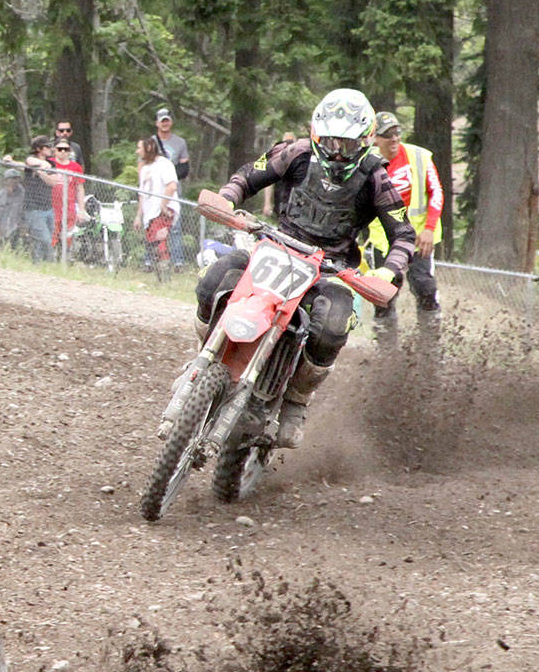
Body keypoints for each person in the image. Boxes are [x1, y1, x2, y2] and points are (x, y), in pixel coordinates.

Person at [192, 88, 416, 448]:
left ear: (365, 141)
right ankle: (207, 354)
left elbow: (403, 234)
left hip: (331, 268)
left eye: (346, 144)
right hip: (277, 247)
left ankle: (296, 400)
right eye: (329, 141)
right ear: (316, 133)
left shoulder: (376, 177)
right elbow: (250, 174)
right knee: (216, 277)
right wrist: (228, 197)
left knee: (332, 323)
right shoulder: (296, 152)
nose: (336, 151)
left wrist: (386, 272)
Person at [366, 110, 443, 345]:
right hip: (384, 239)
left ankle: (430, 344)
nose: (394, 139)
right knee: (384, 294)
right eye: (387, 135)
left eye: (397, 133)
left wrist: (430, 227)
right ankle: (386, 351)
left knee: (424, 285)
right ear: (374, 138)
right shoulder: (366, 162)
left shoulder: (419, 156)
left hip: (420, 236)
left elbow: (437, 193)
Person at [135, 135, 179, 271]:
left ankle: (165, 272)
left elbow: (171, 186)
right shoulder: (143, 168)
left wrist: (163, 205)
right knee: (152, 243)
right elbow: (142, 194)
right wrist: (138, 216)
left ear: (149, 148)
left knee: (160, 242)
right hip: (150, 213)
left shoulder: (164, 164)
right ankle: (158, 274)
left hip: (162, 211)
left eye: (139, 148)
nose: (137, 151)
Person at [154, 108, 191, 268]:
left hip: (173, 186)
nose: (165, 124)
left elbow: (184, 168)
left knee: (174, 224)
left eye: (167, 121)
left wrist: (169, 175)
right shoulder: (152, 142)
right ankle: (153, 258)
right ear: (157, 123)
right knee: (153, 222)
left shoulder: (179, 143)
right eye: (162, 121)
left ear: (171, 122)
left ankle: (178, 261)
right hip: (156, 188)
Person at [22, 135, 60, 261]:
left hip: (48, 208)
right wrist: (41, 164)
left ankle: (37, 264)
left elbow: (54, 181)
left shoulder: (52, 163)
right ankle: (51, 263)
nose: (50, 149)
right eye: (47, 146)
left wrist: (41, 173)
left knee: (43, 239)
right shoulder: (31, 160)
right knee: (45, 239)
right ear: (39, 149)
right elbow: (30, 161)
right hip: (34, 208)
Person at [50, 137, 86, 252]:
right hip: (52, 206)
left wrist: (81, 209)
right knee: (52, 234)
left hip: (69, 207)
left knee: (67, 236)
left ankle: (65, 257)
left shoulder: (75, 167)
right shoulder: (50, 163)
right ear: (54, 150)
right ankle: (52, 256)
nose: (63, 152)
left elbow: (80, 189)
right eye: (60, 149)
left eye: (66, 149)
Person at [0, 166, 26, 249]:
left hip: (18, 229)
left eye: (16, 179)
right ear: (6, 180)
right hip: (3, 228)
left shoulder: (23, 194)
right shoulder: (0, 195)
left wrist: (24, 227)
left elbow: (26, 212)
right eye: (12, 179)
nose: (14, 181)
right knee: (3, 246)